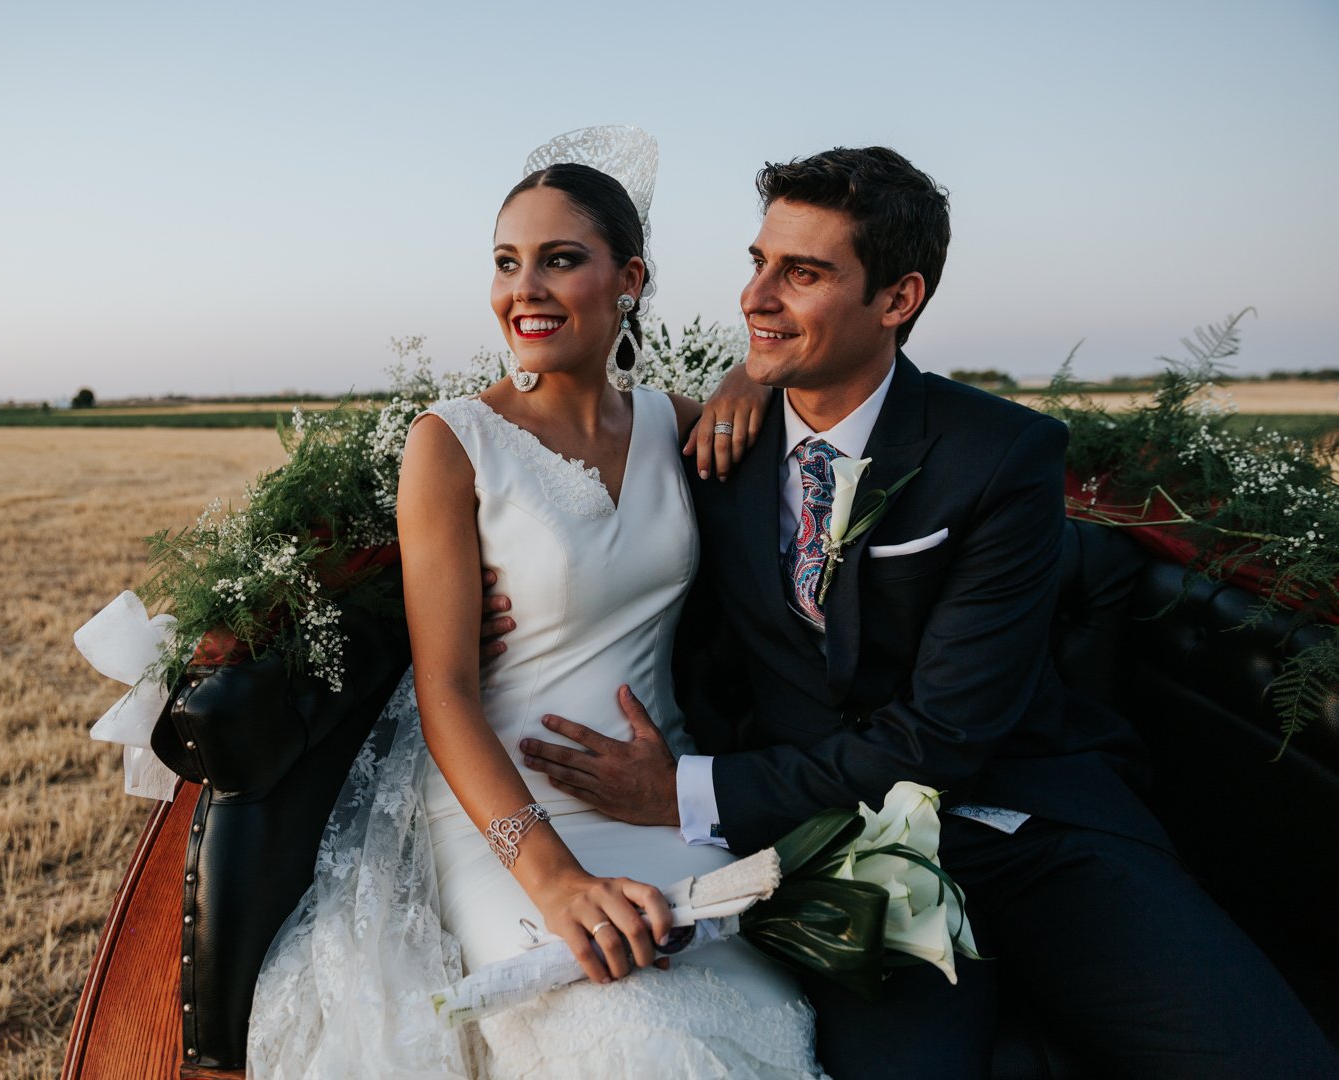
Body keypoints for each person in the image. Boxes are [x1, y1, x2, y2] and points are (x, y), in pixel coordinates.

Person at [517, 146, 1339, 1078]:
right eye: (758, 263)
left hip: (1031, 832)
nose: (757, 296)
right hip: (825, 856)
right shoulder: (707, 449)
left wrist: (683, 789)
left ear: (898, 299)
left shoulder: (1001, 454)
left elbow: (943, 736)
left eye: (805, 273)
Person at [246, 156, 826, 1078]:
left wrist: (750, 381)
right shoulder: (451, 443)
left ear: (629, 280)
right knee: (632, 1042)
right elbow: (444, 689)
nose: (525, 290)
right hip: (505, 819)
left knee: (752, 1020)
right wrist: (553, 879)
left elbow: (803, 407)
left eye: (559, 259)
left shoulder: (678, 425)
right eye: (506, 262)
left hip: (658, 798)